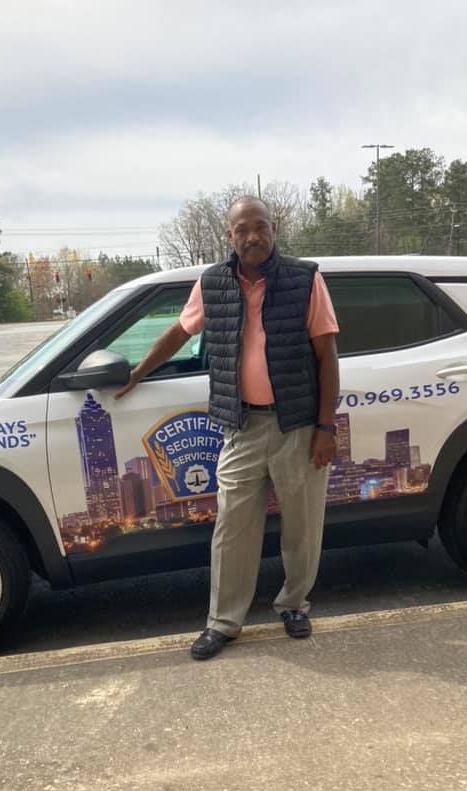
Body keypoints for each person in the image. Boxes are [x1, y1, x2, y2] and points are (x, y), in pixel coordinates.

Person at [116, 196, 340, 660]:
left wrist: (325, 427)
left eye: (260, 227)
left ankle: (294, 604)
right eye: (243, 229)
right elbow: (180, 331)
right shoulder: (213, 283)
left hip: (296, 424)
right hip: (240, 424)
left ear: (273, 228)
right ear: (230, 234)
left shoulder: (305, 279)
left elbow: (327, 355)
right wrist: (140, 372)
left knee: (302, 527)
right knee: (233, 529)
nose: (252, 236)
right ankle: (224, 622)